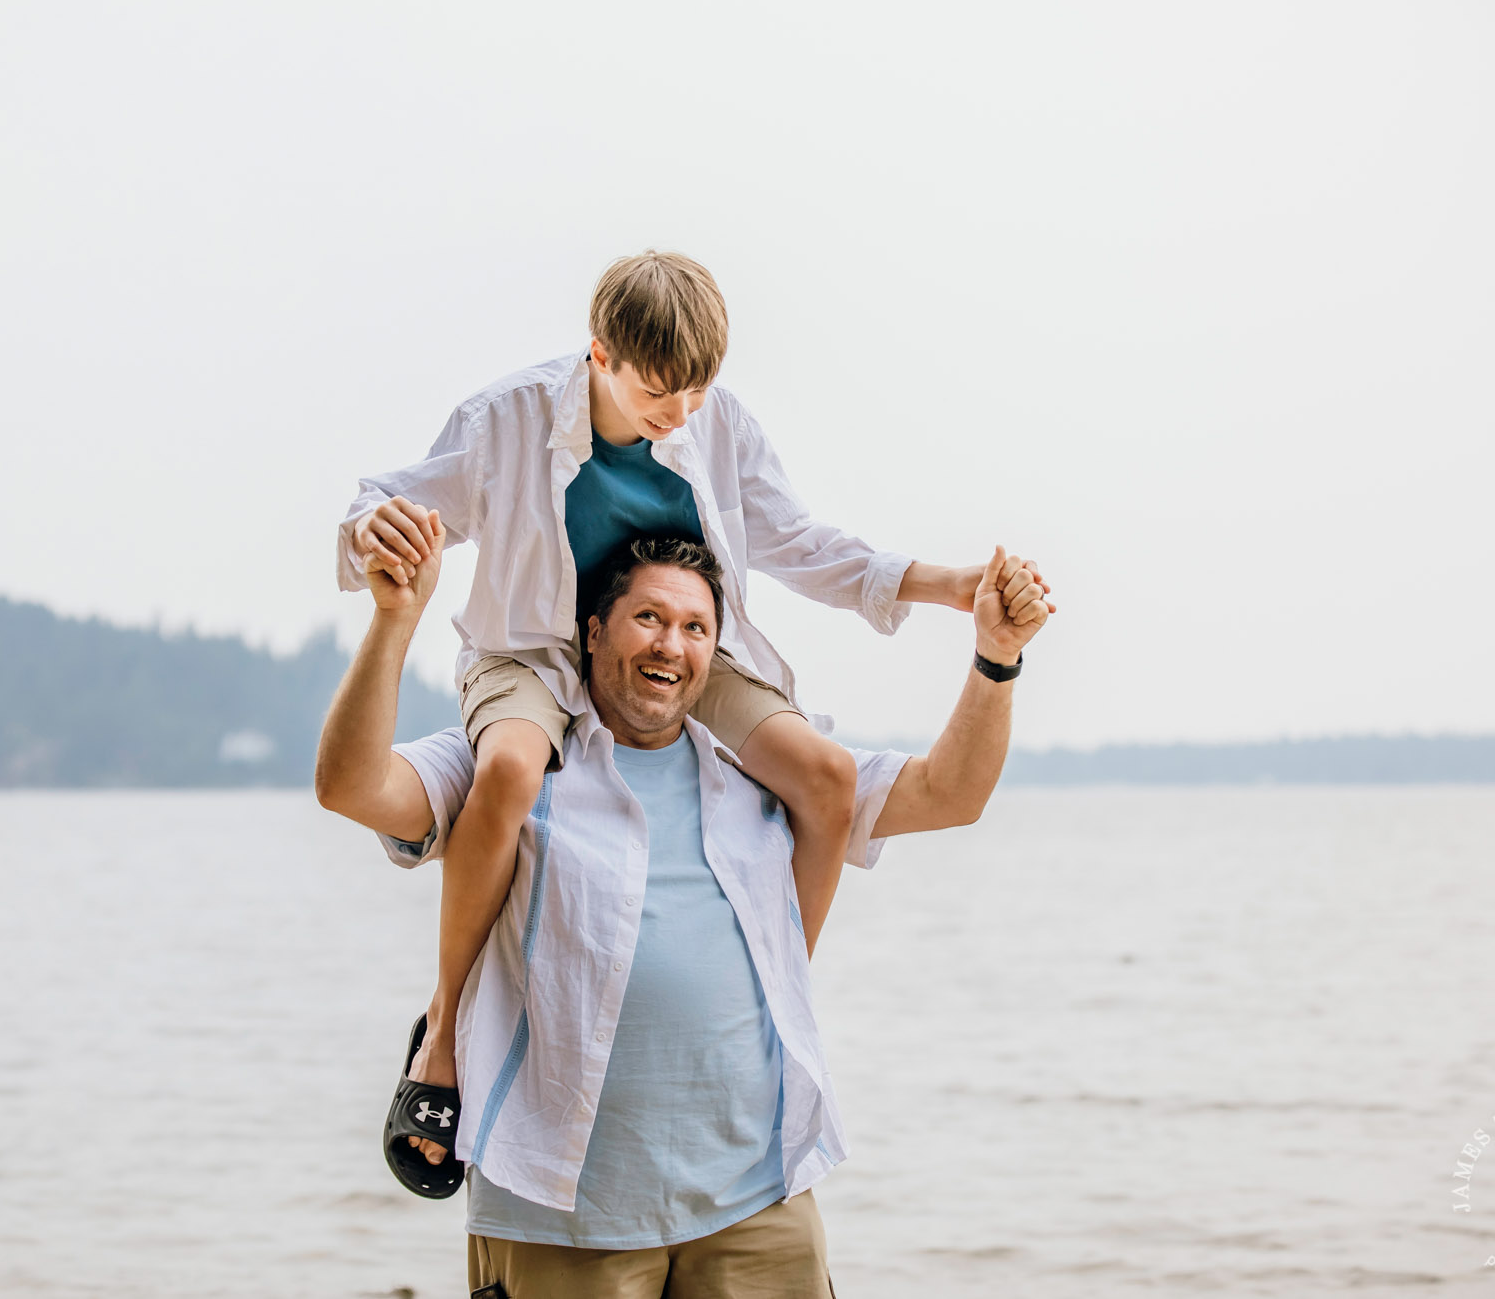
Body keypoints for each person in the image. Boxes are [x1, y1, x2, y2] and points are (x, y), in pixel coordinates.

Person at [337, 251, 1000, 1162]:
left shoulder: (718, 423)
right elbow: (389, 499)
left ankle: (772, 1007)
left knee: (826, 776)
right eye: (660, 393)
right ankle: (446, 1029)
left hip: (671, 645)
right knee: (507, 772)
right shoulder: (506, 418)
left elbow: (798, 541)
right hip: (532, 648)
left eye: (696, 392)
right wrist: (375, 526)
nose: (680, 414)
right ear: (600, 354)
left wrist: (945, 585)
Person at [315, 528, 1053, 1297]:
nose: (672, 643)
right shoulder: (508, 755)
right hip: (558, 1211)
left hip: (756, 1199)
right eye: (649, 618)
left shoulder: (765, 771)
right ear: (594, 631)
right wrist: (394, 619)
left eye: (696, 626)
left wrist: (996, 657)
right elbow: (350, 784)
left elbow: (950, 793)